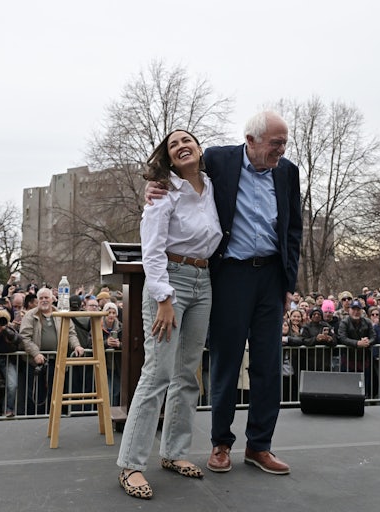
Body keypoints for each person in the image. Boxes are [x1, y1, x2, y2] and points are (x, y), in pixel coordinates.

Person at [146, 111, 302, 478]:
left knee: (267, 364)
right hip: (230, 274)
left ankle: (259, 446)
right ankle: (220, 443)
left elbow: (293, 228)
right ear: (251, 141)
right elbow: (179, 173)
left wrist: (288, 283)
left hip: (271, 279)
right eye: (275, 143)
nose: (281, 149)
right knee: (226, 362)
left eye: (284, 143)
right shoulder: (218, 159)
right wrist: (154, 186)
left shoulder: (287, 171)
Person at [118, 128, 221, 500]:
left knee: (187, 373)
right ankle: (130, 464)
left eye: (186, 140)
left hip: (204, 280)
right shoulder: (163, 193)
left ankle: (174, 452)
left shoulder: (212, 186)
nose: (181, 145)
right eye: (173, 144)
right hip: (171, 282)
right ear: (168, 157)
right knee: (157, 372)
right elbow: (153, 246)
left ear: (198, 148)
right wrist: (162, 297)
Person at [19, 287, 84, 415]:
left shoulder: (61, 314)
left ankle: (55, 416)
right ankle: (36, 418)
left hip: (57, 361)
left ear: (52, 299)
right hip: (36, 362)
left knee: (56, 391)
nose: (44, 300)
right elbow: (24, 337)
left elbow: (71, 333)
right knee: (37, 394)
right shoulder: (30, 315)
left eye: (46, 298)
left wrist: (77, 345)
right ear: (37, 300)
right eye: (41, 298)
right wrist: (36, 353)